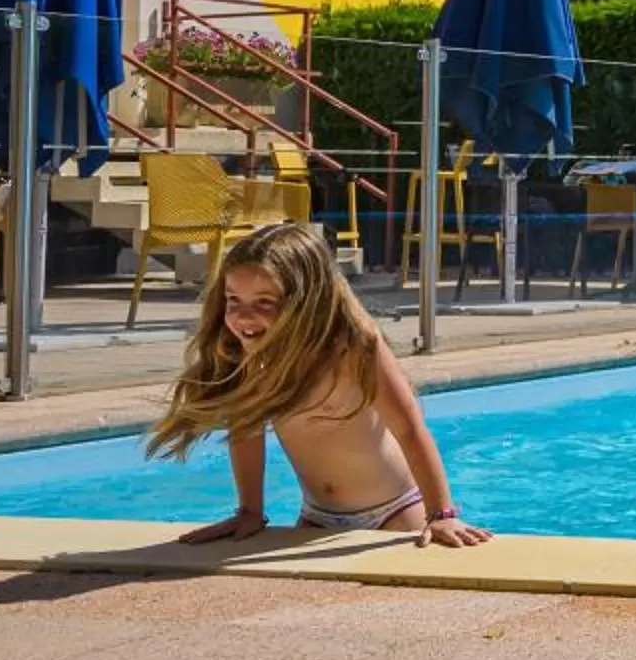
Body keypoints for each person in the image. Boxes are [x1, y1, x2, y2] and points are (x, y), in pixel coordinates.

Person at [149, 222, 491, 548]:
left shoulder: (353, 348)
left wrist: (441, 514)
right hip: (317, 515)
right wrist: (250, 511)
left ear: (305, 301)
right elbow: (246, 429)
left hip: (394, 510)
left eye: (265, 302)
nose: (243, 317)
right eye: (233, 300)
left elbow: (409, 429)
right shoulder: (253, 353)